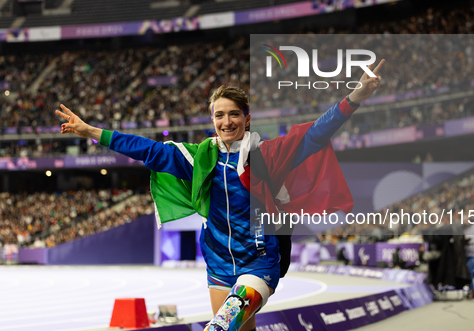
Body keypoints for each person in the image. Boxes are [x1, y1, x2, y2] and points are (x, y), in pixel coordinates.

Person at [56, 60, 384, 331]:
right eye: (219, 115)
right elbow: (149, 150)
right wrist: (91, 132)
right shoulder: (200, 158)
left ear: (246, 117)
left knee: (219, 328)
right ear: (212, 120)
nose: (227, 122)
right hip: (218, 264)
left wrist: (355, 96)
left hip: (258, 262)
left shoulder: (267, 154)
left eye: (234, 114)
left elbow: (314, 134)